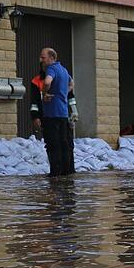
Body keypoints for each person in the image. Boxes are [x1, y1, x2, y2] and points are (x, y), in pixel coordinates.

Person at [39, 48, 74, 176]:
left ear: (51, 57)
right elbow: (72, 83)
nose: (41, 60)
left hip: (52, 113)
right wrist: (64, 93)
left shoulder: (51, 69)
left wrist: (44, 93)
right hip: (63, 113)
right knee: (63, 142)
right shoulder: (63, 70)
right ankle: (66, 171)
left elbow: (47, 81)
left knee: (53, 143)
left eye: (43, 57)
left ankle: (55, 172)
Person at [30, 66, 78, 140]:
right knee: (52, 142)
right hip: (47, 116)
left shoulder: (62, 78)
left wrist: (74, 111)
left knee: (65, 141)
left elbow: (70, 96)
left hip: (63, 115)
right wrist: (35, 117)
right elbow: (34, 101)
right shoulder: (37, 81)